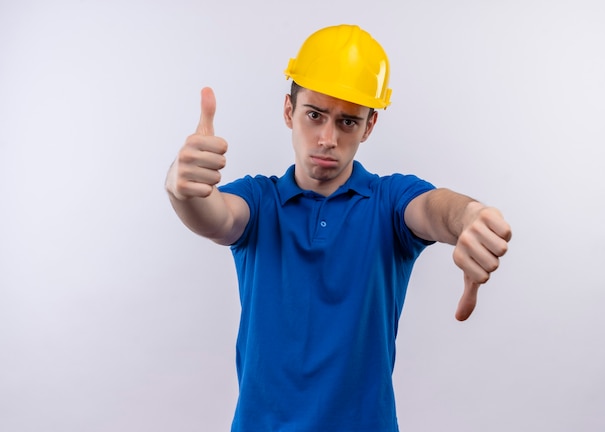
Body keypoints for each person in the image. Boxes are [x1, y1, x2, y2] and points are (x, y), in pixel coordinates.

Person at [166, 24, 511, 432]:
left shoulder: (389, 201)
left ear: (369, 126)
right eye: (315, 115)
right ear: (288, 111)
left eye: (347, 122)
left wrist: (469, 216)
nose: (327, 138)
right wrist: (181, 187)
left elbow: (435, 209)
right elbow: (216, 215)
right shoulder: (259, 201)